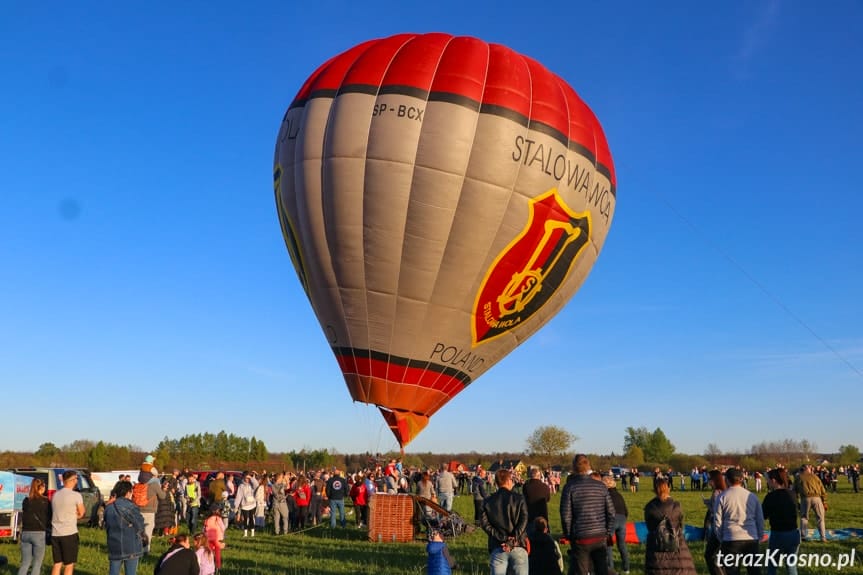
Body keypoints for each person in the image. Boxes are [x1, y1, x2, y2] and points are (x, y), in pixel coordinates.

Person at [560, 454, 615, 575]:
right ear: (588, 465)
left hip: (581, 536)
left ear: (574, 467)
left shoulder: (569, 487)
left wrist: (569, 534)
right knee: (602, 569)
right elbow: (611, 512)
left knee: (581, 570)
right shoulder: (601, 486)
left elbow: (565, 515)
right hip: (600, 535)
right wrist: (607, 532)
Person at [714, 468, 764, 575]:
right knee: (754, 571)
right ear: (741, 479)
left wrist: (721, 537)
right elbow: (759, 519)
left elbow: (718, 521)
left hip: (730, 537)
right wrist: (759, 536)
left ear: (727, 480)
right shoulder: (752, 496)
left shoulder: (722, 497)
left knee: (732, 571)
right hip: (751, 538)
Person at [480, 469, 529, 575]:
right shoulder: (519, 498)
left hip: (497, 545)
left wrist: (501, 537)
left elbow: (484, 524)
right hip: (518, 545)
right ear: (508, 481)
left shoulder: (487, 501)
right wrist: (514, 537)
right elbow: (524, 519)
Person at [644, 477, 697, 574]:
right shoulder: (676, 506)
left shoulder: (650, 507)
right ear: (668, 488)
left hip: (657, 545)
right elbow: (681, 525)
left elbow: (649, 527)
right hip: (676, 543)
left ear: (654, 490)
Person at [762, 468, 800, 575]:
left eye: (768, 480)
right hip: (793, 533)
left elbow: (763, 515)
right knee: (791, 566)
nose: (768, 483)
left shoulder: (770, 496)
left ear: (774, 480)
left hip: (778, 534)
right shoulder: (792, 494)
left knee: (772, 566)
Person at [104, 480, 145, 575]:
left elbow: (106, 525)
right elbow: (140, 525)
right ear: (128, 492)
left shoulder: (109, 508)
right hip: (131, 545)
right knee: (130, 572)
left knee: (113, 571)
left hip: (114, 544)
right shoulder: (131, 506)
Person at [50, 470, 85, 575]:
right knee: (69, 564)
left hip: (55, 533)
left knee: (57, 563)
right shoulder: (76, 495)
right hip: (69, 533)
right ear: (72, 480)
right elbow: (82, 512)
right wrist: (74, 516)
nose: (76, 481)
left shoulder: (55, 494)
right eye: (76, 479)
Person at [18, 478, 51, 575]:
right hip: (39, 533)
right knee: (37, 564)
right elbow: (49, 517)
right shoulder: (45, 501)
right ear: (42, 487)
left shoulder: (26, 501)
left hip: (25, 533)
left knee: (25, 563)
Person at [603, 474, 630, 575]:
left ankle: (610, 569)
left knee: (608, 545)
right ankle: (626, 568)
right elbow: (625, 510)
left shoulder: (606, 495)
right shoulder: (619, 495)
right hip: (622, 519)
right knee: (622, 544)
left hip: (611, 520)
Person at [794, 464, 827, 542]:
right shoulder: (815, 477)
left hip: (805, 498)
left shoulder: (798, 478)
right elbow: (822, 489)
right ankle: (823, 537)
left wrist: (796, 501)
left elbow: (794, 491)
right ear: (808, 469)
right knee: (820, 518)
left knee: (804, 518)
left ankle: (803, 536)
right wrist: (824, 501)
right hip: (817, 498)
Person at [703, 469, 727, 575]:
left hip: (717, 526)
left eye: (709, 479)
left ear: (715, 480)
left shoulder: (717, 492)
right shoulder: (722, 491)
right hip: (721, 525)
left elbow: (717, 510)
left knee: (711, 555)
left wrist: (709, 505)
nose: (708, 481)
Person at [234, 472, 257, 537]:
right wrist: (236, 505)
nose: (247, 479)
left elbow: (256, 484)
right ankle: (245, 533)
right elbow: (239, 496)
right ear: (243, 477)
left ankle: (252, 532)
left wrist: (251, 477)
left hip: (252, 504)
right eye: (246, 478)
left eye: (248, 478)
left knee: (251, 518)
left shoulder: (252, 484)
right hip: (244, 505)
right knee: (245, 519)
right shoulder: (241, 486)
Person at [203, 508, 225, 573]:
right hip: (217, 538)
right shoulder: (218, 518)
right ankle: (218, 566)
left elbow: (204, 529)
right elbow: (223, 527)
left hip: (209, 538)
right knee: (218, 553)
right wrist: (222, 534)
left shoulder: (207, 519)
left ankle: (210, 566)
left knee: (210, 553)